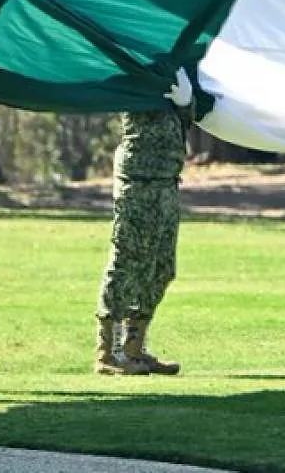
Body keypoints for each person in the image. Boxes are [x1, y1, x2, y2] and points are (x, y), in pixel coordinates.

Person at [94, 70, 195, 376]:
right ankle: (107, 354)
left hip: (167, 181)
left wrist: (186, 104)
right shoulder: (134, 69)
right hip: (137, 181)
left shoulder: (176, 71)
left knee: (162, 267)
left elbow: (184, 124)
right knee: (126, 262)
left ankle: (133, 347)